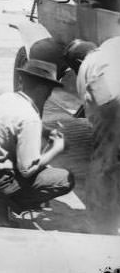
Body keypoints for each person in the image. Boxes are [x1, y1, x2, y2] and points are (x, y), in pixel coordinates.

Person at [0, 37, 75, 227]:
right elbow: (28, 170)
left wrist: (44, 132)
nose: (51, 93)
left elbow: (13, 126)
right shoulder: (30, 117)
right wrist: (55, 149)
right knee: (63, 179)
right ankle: (4, 202)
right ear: (43, 88)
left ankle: (2, 198)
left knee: (39, 166)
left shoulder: (7, 98)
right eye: (50, 88)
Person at [65, 37, 120, 235]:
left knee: (103, 163)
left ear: (78, 63)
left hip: (111, 103)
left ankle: (101, 223)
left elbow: (94, 113)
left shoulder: (86, 68)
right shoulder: (111, 44)